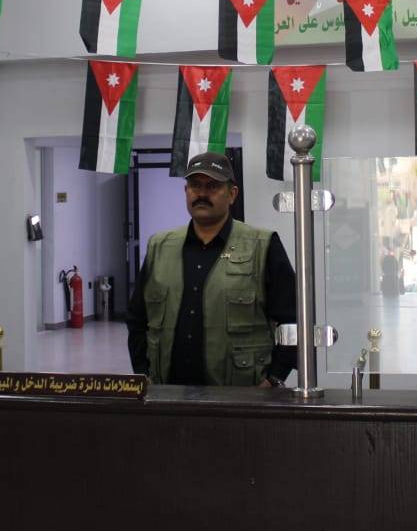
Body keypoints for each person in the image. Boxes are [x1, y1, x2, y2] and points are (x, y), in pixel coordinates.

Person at [126, 152, 296, 387]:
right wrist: (143, 373)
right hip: (168, 393)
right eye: (195, 185)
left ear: (232, 194)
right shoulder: (159, 246)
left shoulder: (262, 245)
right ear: (186, 191)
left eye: (213, 186)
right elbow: (136, 319)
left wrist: (274, 378)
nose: (202, 194)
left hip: (242, 396)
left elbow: (293, 321)